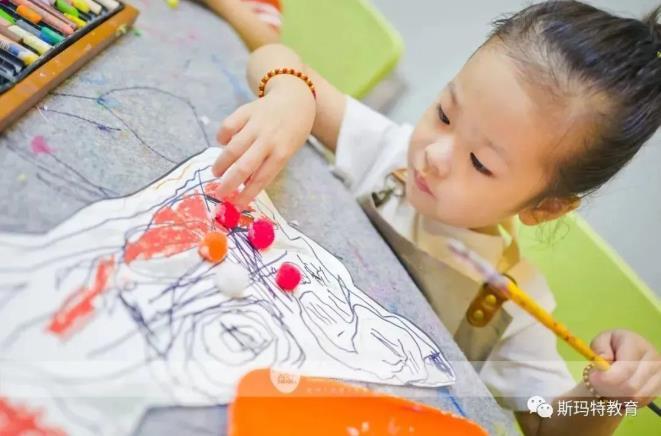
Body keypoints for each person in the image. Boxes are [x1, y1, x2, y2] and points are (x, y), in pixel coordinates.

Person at [209, 1, 661, 434]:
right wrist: (291, 94)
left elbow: (545, 423)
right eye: (445, 114)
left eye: (480, 163)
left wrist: (607, 398)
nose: (435, 155)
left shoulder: (507, 305)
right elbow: (274, 56)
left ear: (545, 208)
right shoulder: (389, 157)